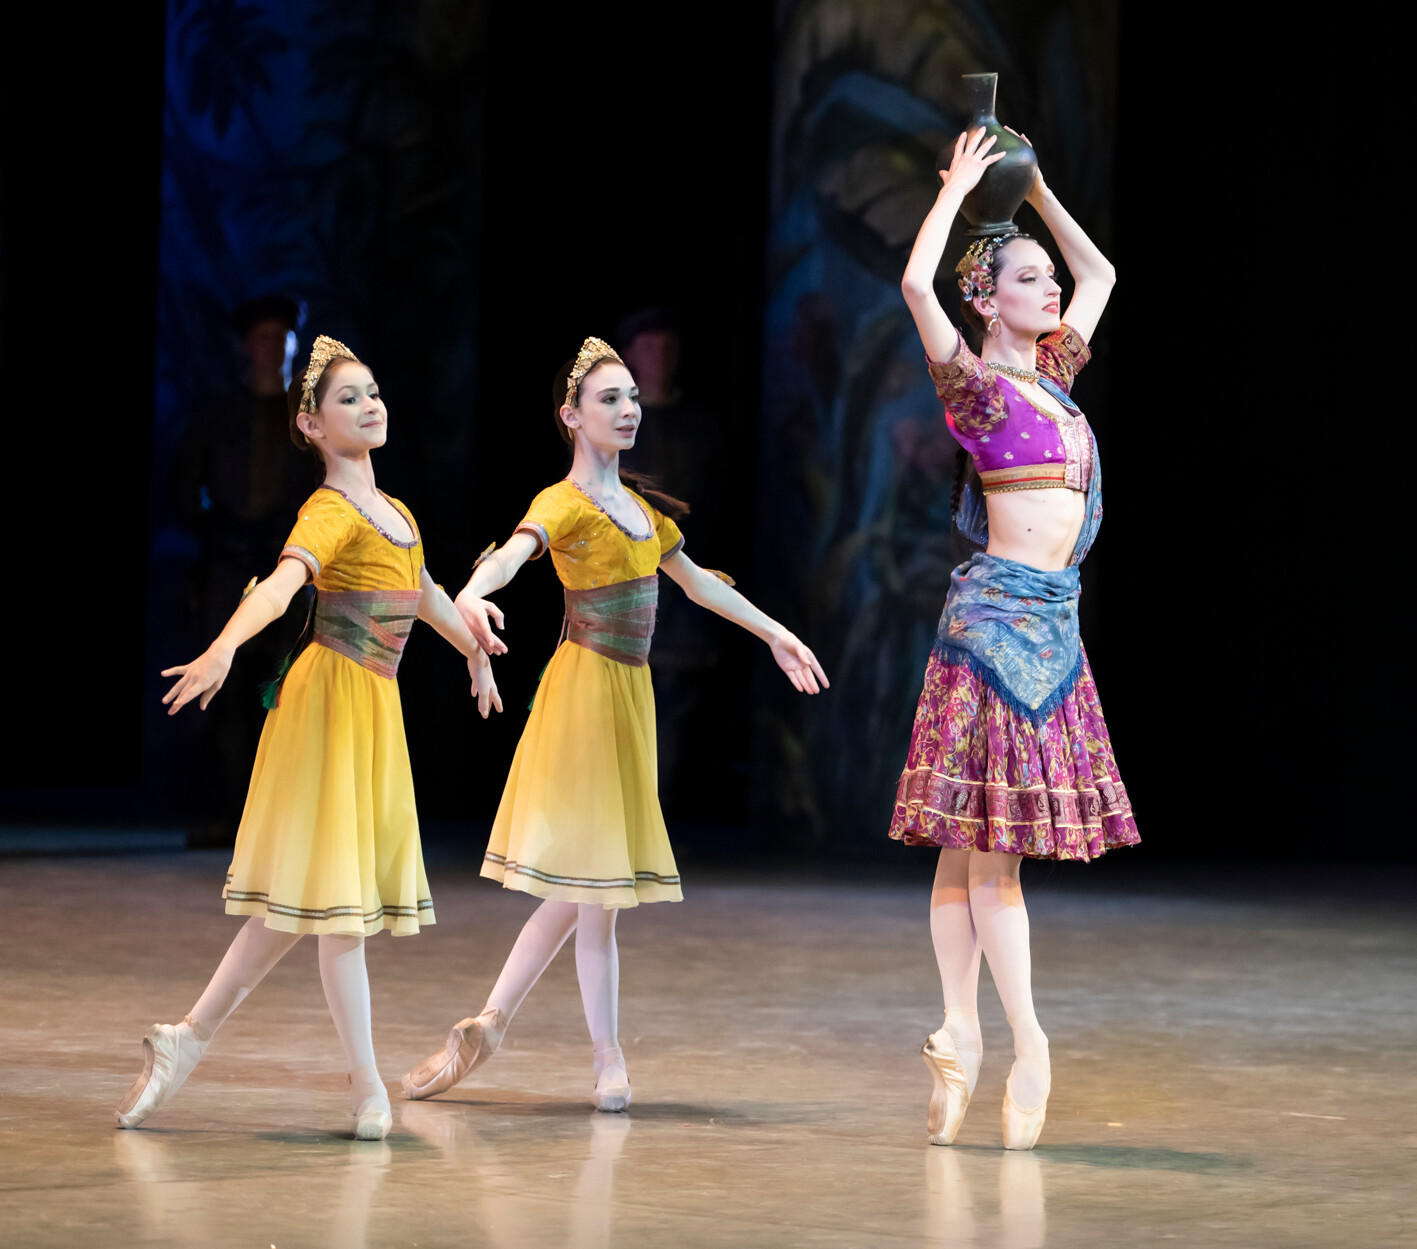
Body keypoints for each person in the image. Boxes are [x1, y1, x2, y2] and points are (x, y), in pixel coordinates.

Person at [400, 336, 828, 1111]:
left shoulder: (643, 511)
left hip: (630, 696)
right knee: (594, 890)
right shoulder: (562, 503)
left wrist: (775, 632)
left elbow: (699, 587)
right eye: (608, 398)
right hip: (584, 694)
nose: (627, 408)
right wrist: (470, 588)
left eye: (631, 396)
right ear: (571, 415)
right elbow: (513, 556)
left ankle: (499, 1023)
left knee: (587, 890)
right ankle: (599, 1056)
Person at [116, 336, 503, 1141]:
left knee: (301, 904)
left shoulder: (395, 513)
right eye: (349, 399)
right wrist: (225, 643)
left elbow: (424, 590)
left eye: (373, 391)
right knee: (338, 912)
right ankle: (369, 1091)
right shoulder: (327, 510)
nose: (370, 405)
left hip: (371, 709)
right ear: (312, 425)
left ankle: (186, 1040)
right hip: (328, 705)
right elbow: (285, 583)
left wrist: (472, 648)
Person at [891, 130, 1138, 1150]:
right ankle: (1026, 1043)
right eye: (1025, 280)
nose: (1050, 292)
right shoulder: (980, 393)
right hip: (993, 628)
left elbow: (1102, 269)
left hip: (1053, 625)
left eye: (1045, 281)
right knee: (991, 858)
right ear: (988, 299)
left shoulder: (1056, 374)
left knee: (965, 857)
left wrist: (1033, 187)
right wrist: (955, 192)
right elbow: (915, 282)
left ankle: (957, 1027)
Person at [173, 293, 318, 841]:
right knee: (222, 687)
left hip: (290, 563)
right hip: (228, 561)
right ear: (244, 346)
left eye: (278, 338)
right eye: (260, 338)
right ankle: (223, 812)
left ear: (291, 345)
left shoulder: (304, 420)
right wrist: (214, 528)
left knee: (281, 685)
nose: (269, 348)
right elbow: (184, 487)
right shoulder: (218, 414)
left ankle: (274, 818)